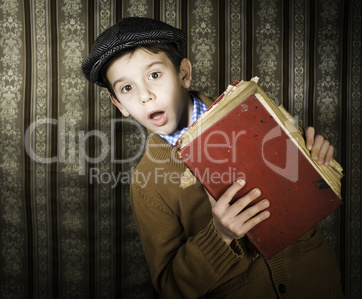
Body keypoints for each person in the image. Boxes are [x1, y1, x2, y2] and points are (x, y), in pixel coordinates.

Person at [82, 17, 343, 298]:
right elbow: (171, 287)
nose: (145, 96)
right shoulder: (146, 186)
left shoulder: (253, 114)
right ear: (119, 104)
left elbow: (306, 196)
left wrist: (315, 163)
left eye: (154, 75)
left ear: (183, 73)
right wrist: (220, 236)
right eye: (127, 88)